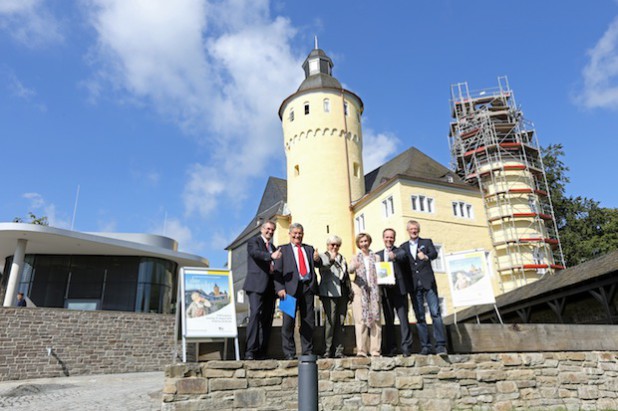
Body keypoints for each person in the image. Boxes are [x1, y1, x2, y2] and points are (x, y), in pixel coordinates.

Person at [400, 220, 447, 355]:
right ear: (408, 231)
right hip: (414, 285)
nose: (413, 231)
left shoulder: (427, 242)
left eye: (415, 229)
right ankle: (425, 346)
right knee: (420, 316)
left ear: (418, 230)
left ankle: (440, 345)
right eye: (411, 229)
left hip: (428, 282)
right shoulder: (403, 246)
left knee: (435, 313)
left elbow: (434, 254)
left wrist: (426, 256)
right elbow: (400, 260)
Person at [273, 223, 319, 360]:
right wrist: (279, 288)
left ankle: (307, 350)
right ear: (290, 234)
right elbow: (277, 272)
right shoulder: (283, 250)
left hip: (307, 288)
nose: (297, 235)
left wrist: (318, 259)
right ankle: (289, 353)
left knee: (308, 321)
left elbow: (318, 264)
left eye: (300, 233)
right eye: (295, 233)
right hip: (288, 291)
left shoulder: (309, 249)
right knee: (288, 322)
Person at [243, 220, 282, 360]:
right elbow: (255, 253)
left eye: (272, 230)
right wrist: (271, 256)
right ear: (262, 229)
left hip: (270, 288)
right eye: (268, 229)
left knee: (267, 319)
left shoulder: (273, 246)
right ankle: (250, 351)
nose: (270, 232)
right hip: (256, 285)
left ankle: (262, 351)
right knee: (255, 315)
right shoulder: (254, 242)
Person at [376, 228, 413, 357]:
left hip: (399, 291)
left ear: (394, 239)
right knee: (388, 320)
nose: (389, 240)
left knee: (403, 319)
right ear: (383, 238)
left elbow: (404, 257)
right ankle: (391, 348)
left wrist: (395, 256)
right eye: (387, 237)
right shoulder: (378, 255)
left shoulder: (400, 251)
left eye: (391, 237)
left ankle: (406, 348)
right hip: (385, 291)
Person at [317, 235, 351, 358]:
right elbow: (322, 267)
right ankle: (327, 349)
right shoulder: (323, 256)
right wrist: (331, 260)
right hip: (329, 292)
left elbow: (345, 275)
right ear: (328, 245)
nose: (335, 247)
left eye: (337, 245)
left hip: (342, 293)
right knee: (330, 321)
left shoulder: (342, 257)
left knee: (341, 322)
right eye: (332, 244)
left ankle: (339, 350)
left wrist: (349, 291)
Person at [348, 233, 382, 357]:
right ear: (358, 244)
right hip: (360, 291)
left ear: (369, 242)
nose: (364, 244)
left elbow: (383, 272)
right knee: (360, 321)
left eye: (366, 241)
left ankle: (375, 350)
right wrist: (354, 266)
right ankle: (361, 350)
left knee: (376, 320)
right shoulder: (355, 257)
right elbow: (350, 270)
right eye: (361, 242)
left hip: (374, 291)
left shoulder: (376, 257)